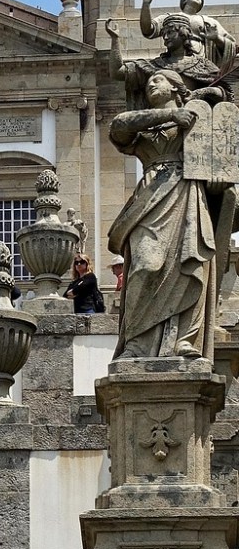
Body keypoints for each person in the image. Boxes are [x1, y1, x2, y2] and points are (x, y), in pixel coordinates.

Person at [107, 74, 216, 358]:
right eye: (147, 84)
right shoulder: (147, 124)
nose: (151, 85)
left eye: (157, 80)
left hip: (186, 192)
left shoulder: (195, 121)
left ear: (175, 88)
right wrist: (171, 114)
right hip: (151, 195)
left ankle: (184, 339)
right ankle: (136, 342)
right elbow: (118, 127)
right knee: (145, 265)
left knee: (189, 265)